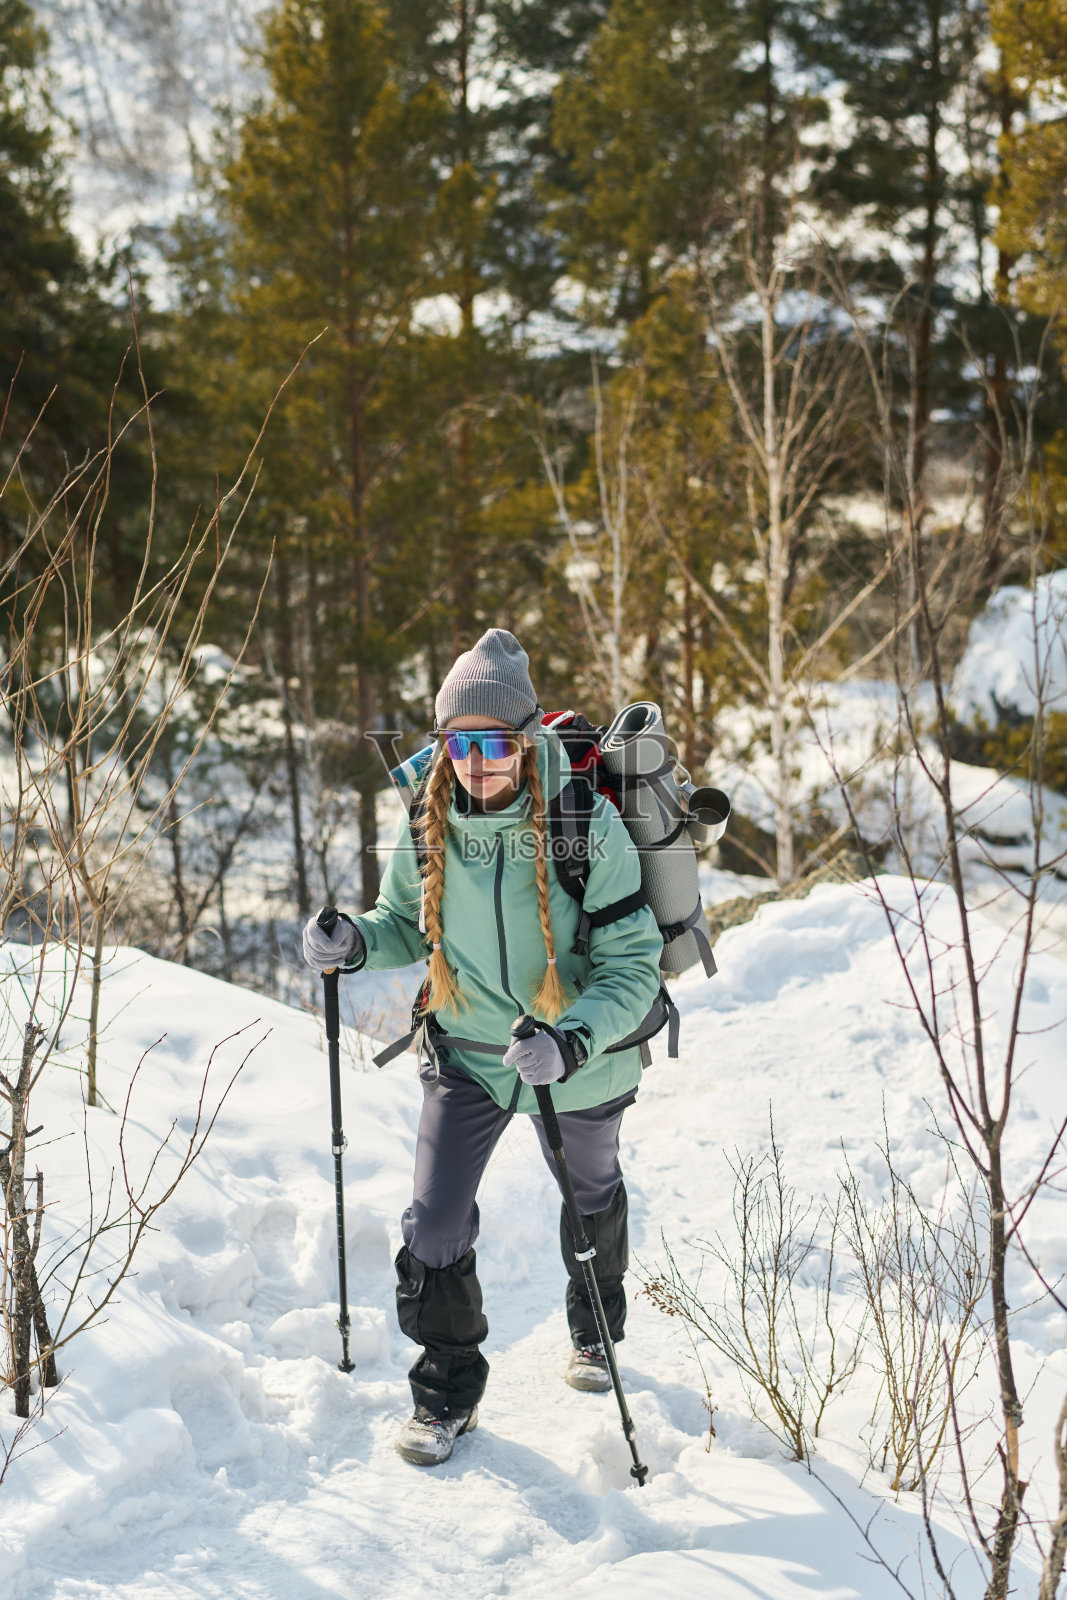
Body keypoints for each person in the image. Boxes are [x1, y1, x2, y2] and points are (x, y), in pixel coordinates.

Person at [302, 629, 662, 1466]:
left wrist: (571, 1041)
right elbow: (403, 924)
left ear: (527, 735)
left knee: (590, 1190)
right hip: (465, 1048)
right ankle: (444, 1391)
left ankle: (593, 1323)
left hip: (576, 1059)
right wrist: (351, 941)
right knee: (432, 1222)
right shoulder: (428, 819)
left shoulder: (582, 823)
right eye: (457, 740)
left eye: (493, 740)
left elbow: (632, 965)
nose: (474, 759)